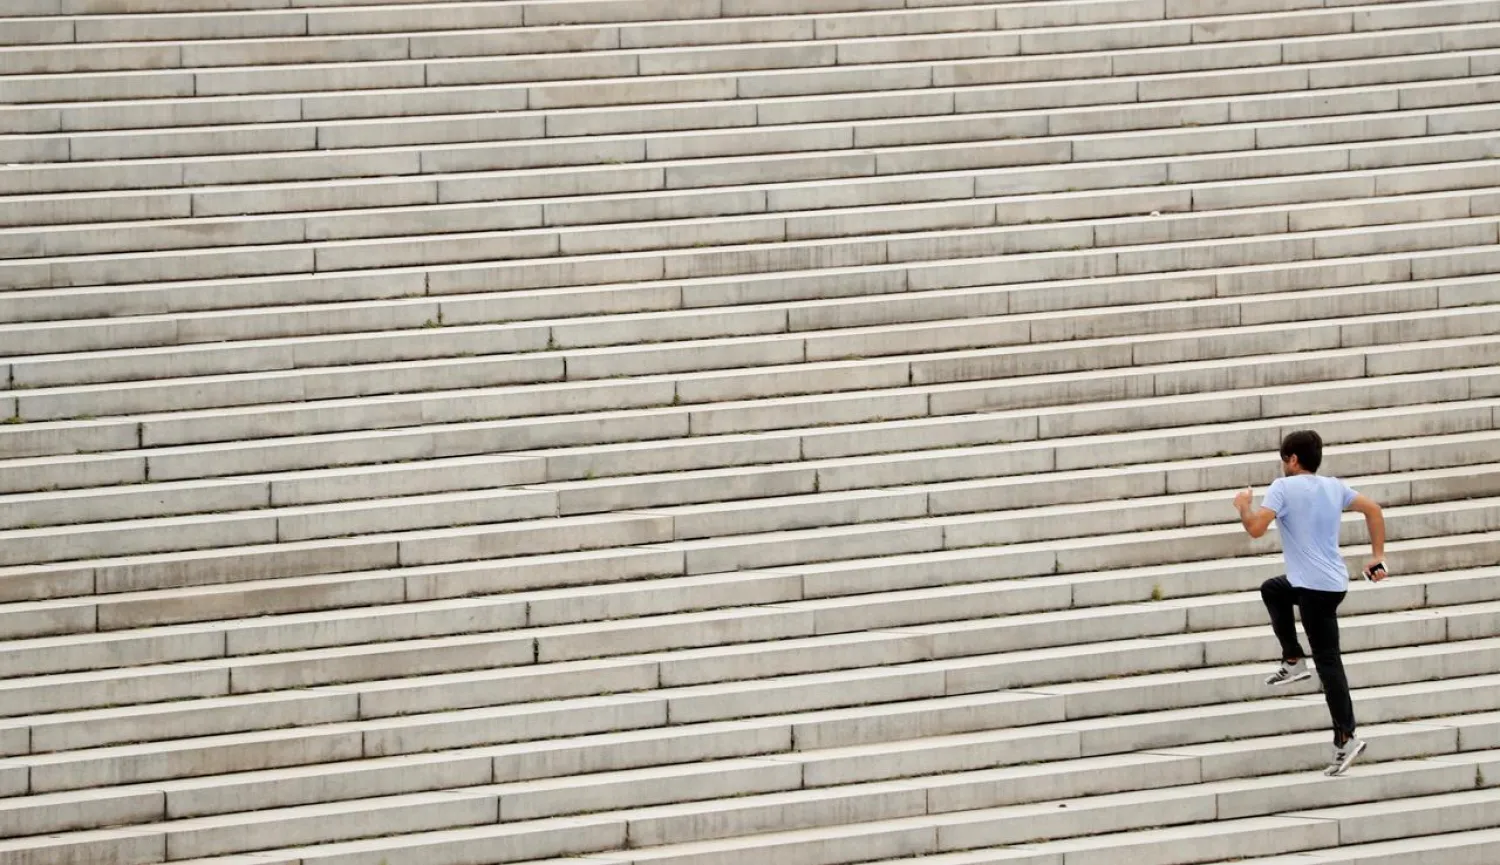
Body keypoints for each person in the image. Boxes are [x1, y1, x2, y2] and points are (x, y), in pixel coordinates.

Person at [1232, 430, 1387, 777]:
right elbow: (1373, 510)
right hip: (1331, 583)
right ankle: (1292, 658)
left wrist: (1244, 506)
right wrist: (1377, 557)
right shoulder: (1334, 486)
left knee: (1329, 662)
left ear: (1292, 460)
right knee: (1274, 589)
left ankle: (1346, 737)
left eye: (1284, 460)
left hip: (1314, 589)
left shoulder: (1282, 487)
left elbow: (1256, 529)